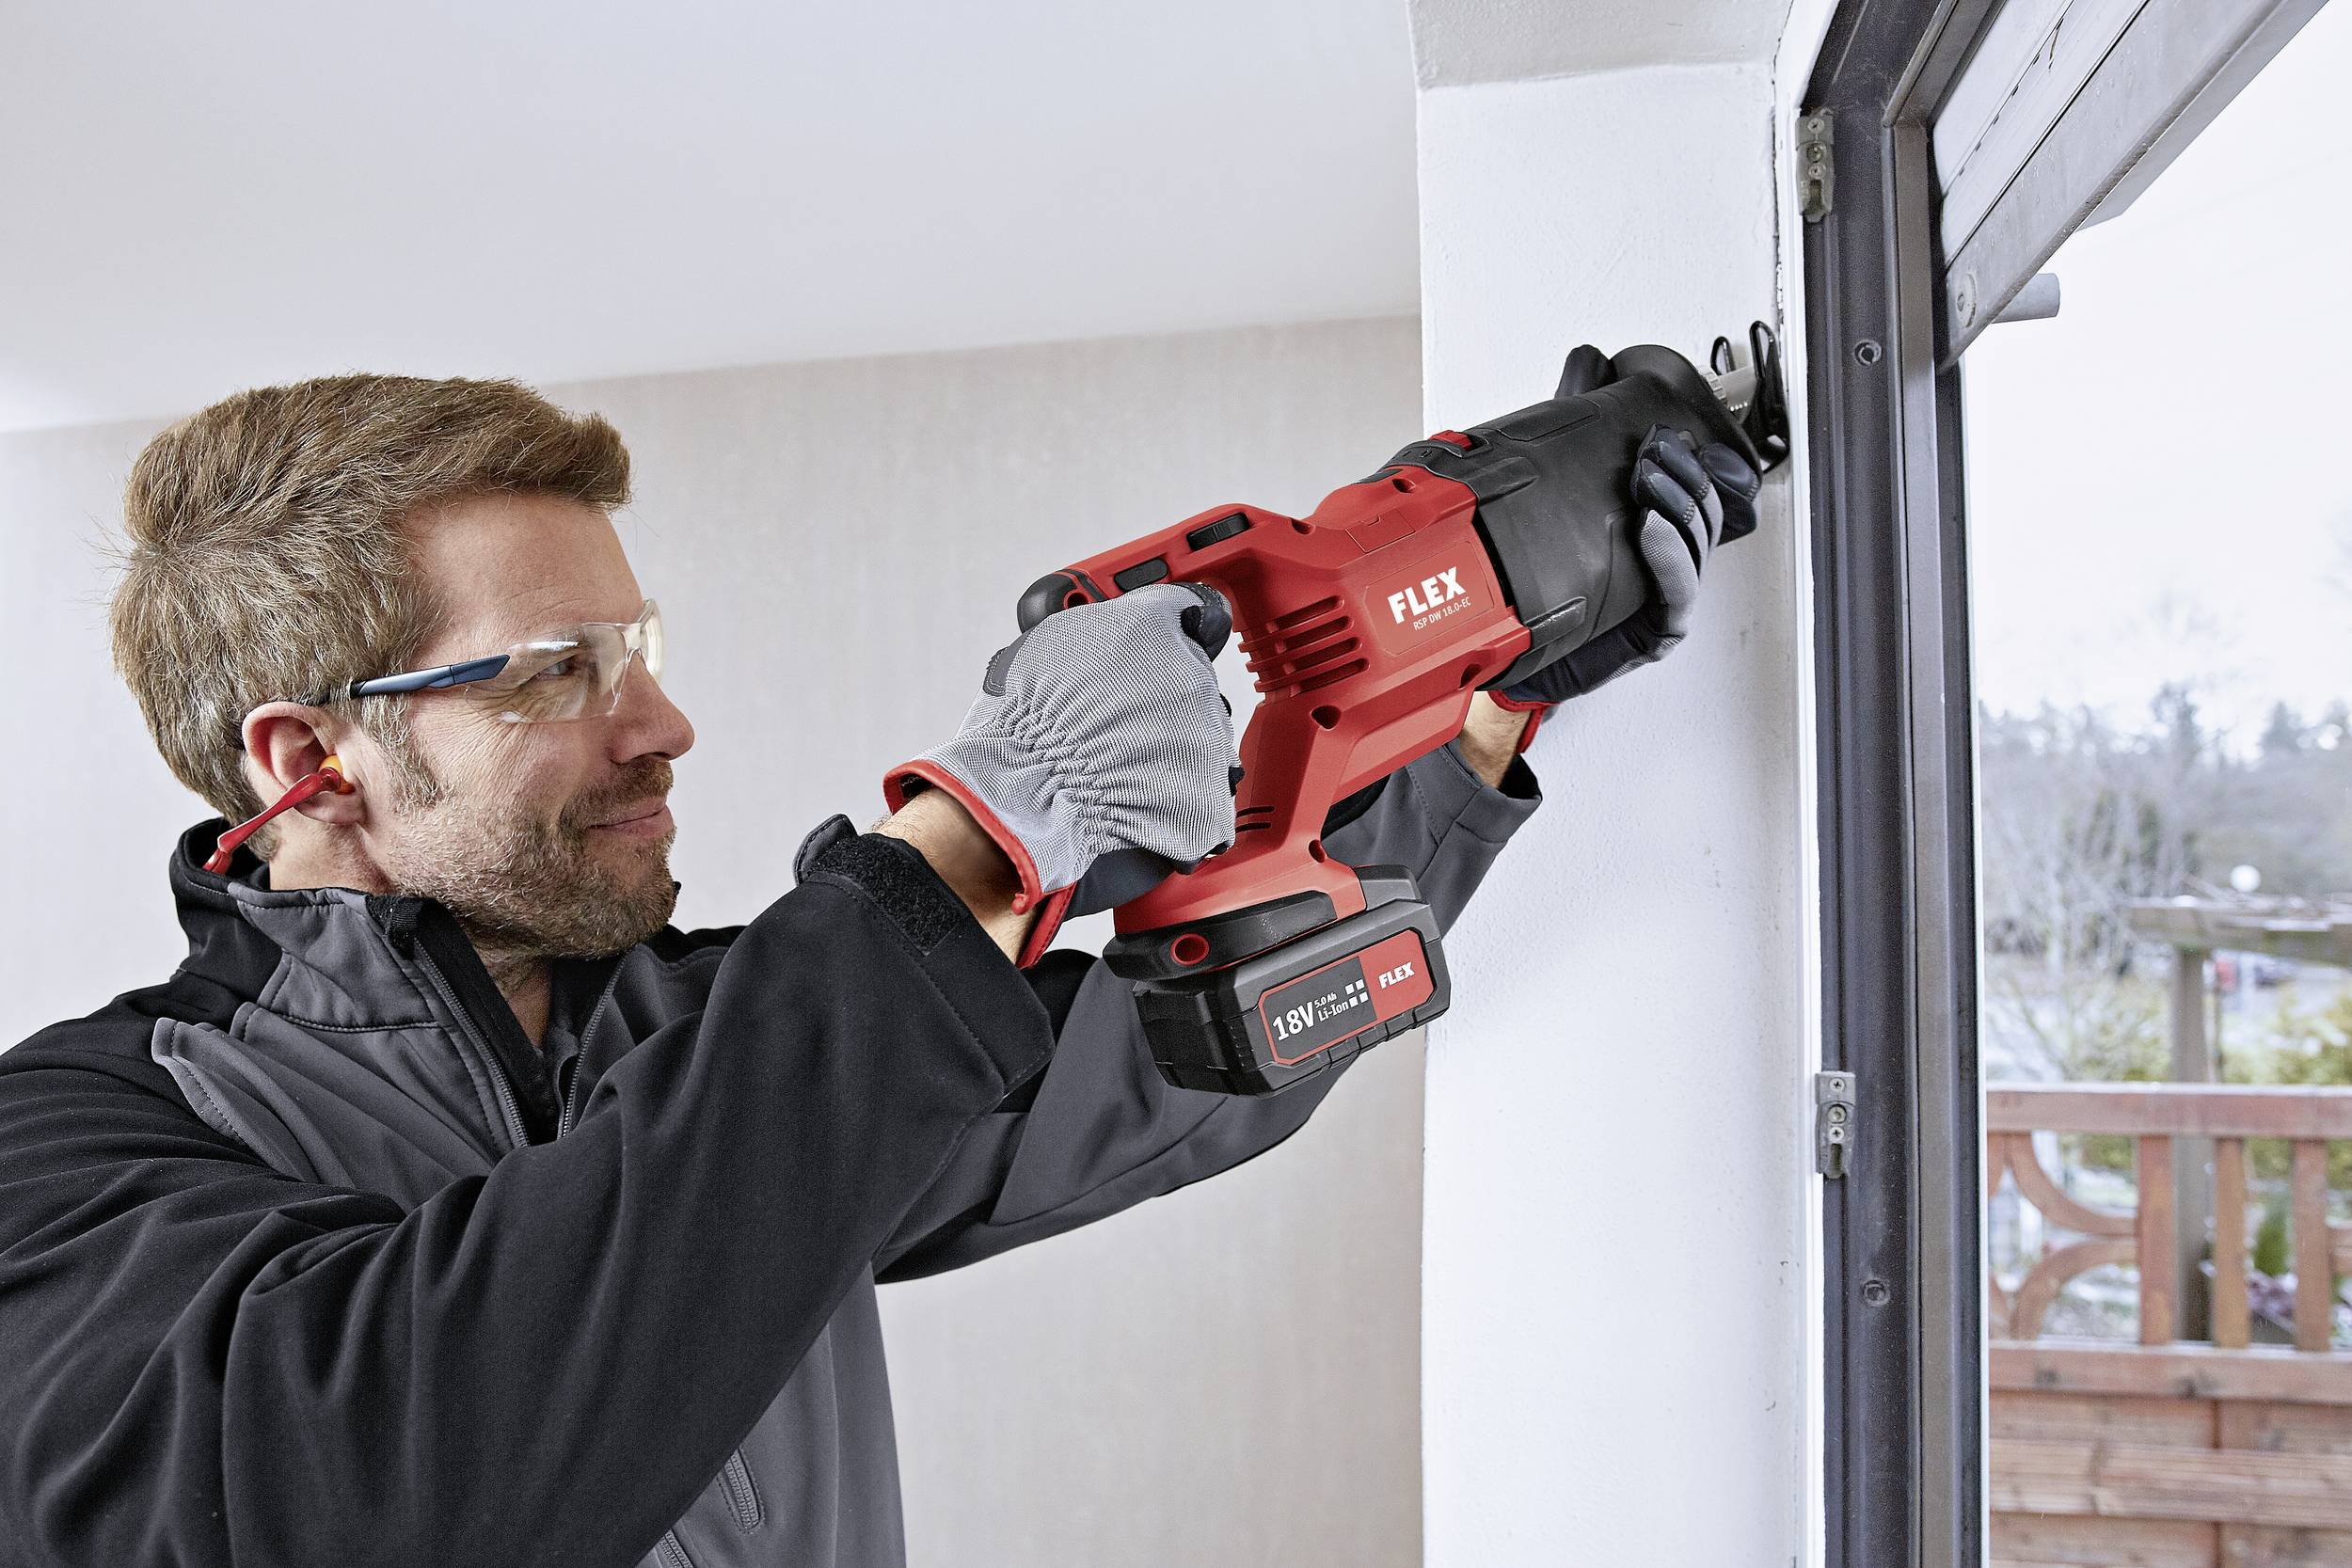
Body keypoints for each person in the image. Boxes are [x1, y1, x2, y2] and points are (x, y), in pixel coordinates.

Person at [0, 372, 1748, 1568]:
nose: (663, 724)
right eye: (554, 673)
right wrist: (989, 831)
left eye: (645, 652)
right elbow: (391, 1472)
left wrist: (1467, 715)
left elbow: (1169, 1071)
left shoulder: (697, 1036)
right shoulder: (71, 1154)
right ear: (307, 761)